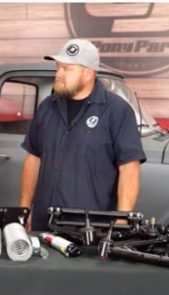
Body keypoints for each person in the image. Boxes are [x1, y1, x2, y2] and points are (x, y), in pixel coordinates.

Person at [20, 38, 146, 231]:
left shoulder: (117, 111)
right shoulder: (47, 107)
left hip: (90, 229)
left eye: (68, 69)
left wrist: (122, 220)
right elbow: (33, 158)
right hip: (44, 224)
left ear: (88, 73)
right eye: (58, 67)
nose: (59, 74)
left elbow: (129, 169)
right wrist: (25, 209)